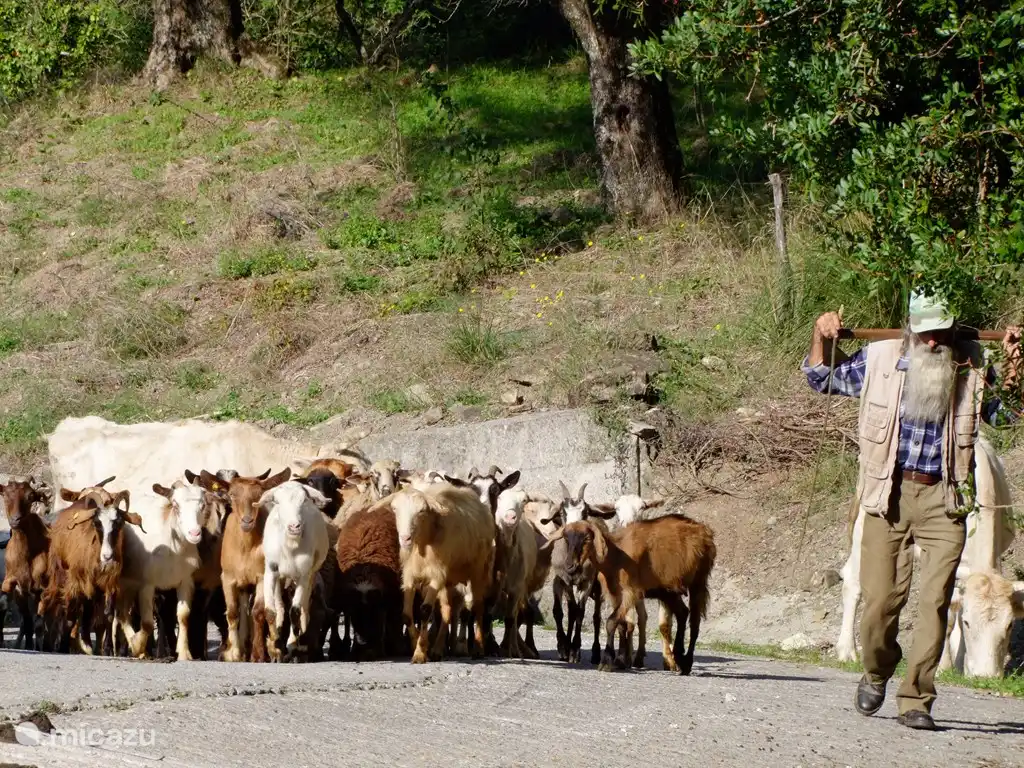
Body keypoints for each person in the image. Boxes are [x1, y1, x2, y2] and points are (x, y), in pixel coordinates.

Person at [802, 288, 1021, 730]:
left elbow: (1007, 416)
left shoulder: (972, 366)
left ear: (952, 330)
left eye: (941, 333)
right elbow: (820, 377)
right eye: (925, 334)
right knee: (880, 601)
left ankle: (916, 697)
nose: (934, 343)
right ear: (909, 329)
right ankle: (877, 669)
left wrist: (1017, 367)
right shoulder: (880, 358)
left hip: (946, 499)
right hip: (889, 496)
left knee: (935, 601)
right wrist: (822, 336)